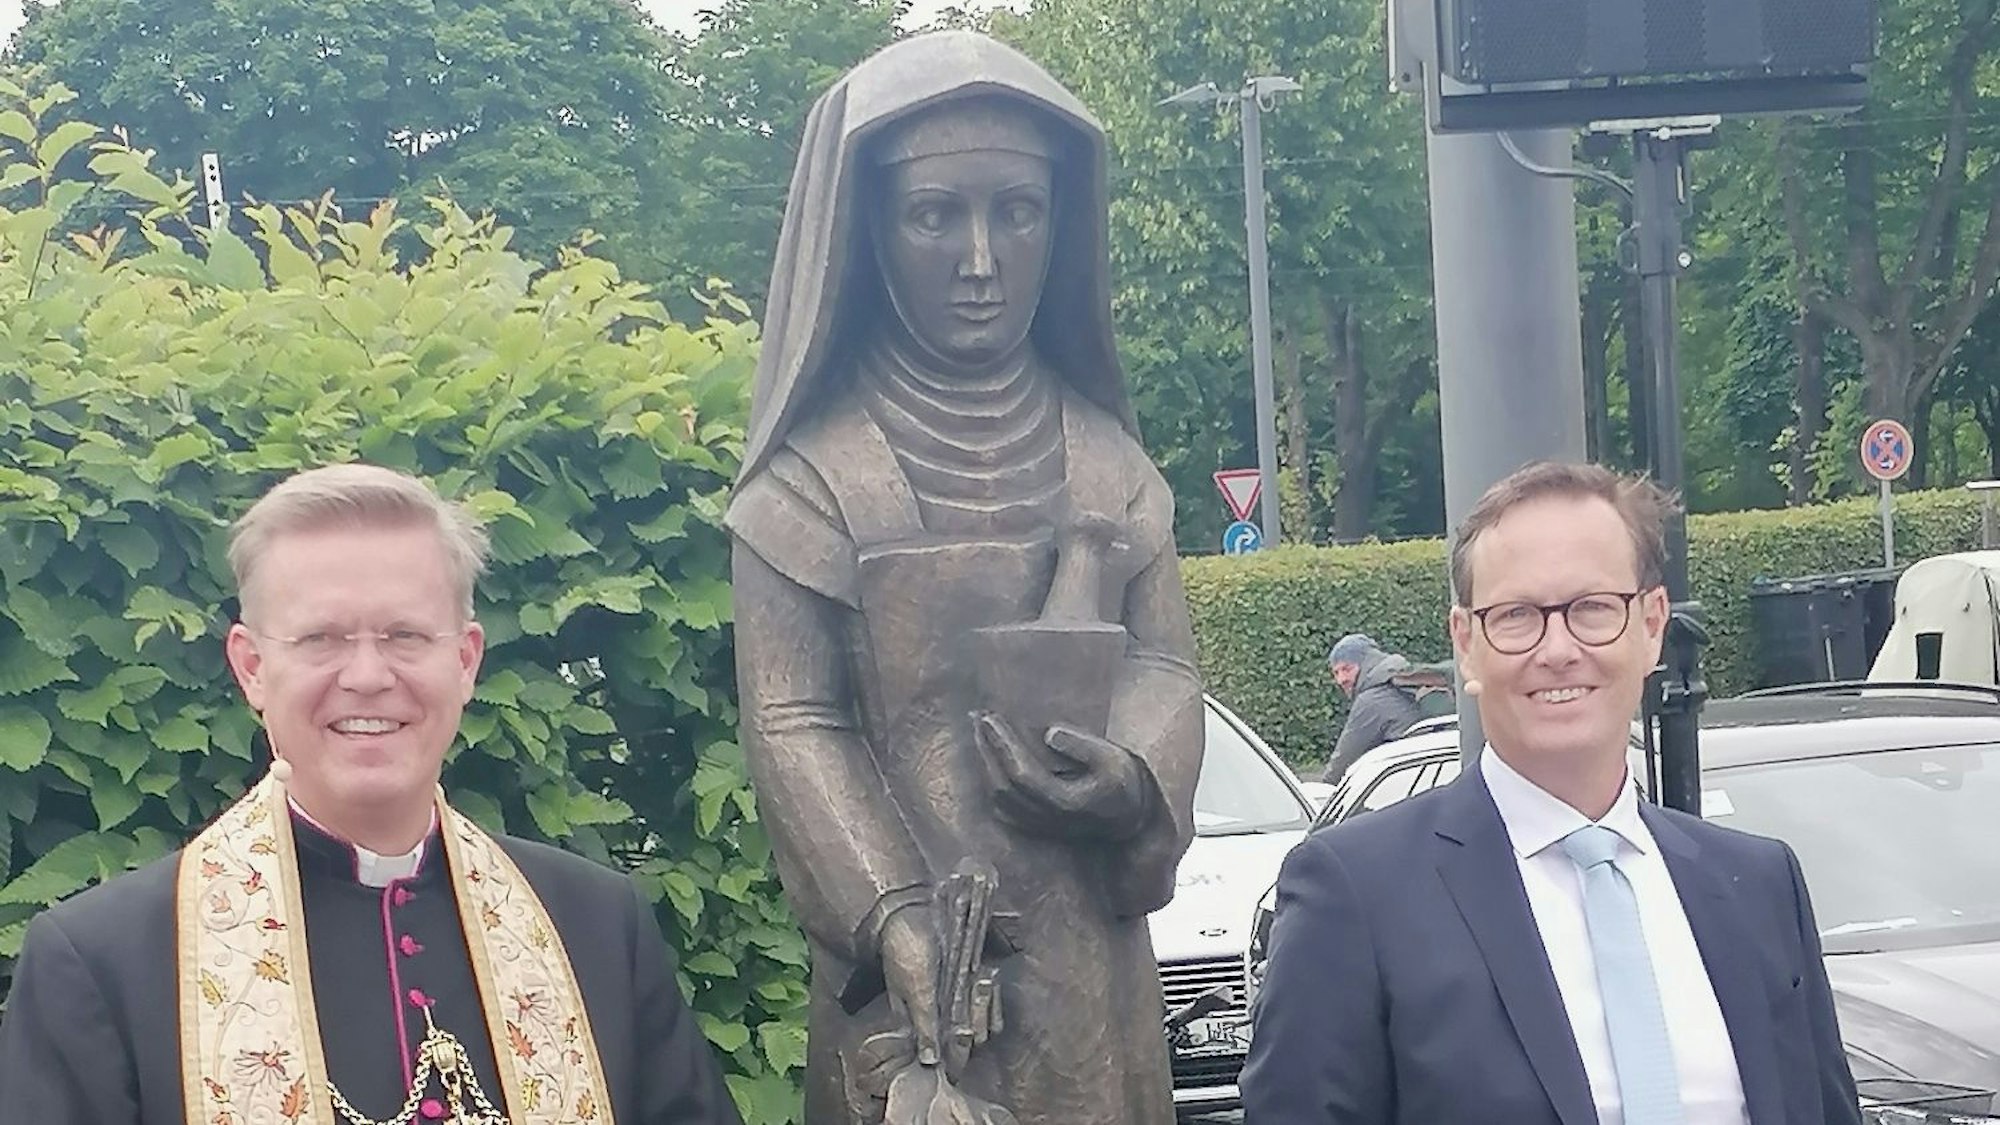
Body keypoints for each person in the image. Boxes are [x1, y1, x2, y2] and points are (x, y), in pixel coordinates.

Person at [726, 31, 1203, 1125]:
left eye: (1017, 212)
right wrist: (894, 914)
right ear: (870, 230)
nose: (980, 260)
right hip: (908, 994)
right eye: (935, 215)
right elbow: (793, 719)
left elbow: (1165, 668)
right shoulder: (817, 482)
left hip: (1092, 985)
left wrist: (1132, 780)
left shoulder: (1110, 467)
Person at [0, 463, 742, 1125]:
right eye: (321, 638)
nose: (366, 676)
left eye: (405, 636)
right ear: (252, 667)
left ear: (465, 661)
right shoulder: (99, 963)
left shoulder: (598, 926)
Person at [1241, 461, 1859, 1125]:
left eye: (1593, 608)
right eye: (1517, 615)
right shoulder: (1356, 896)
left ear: (1652, 625)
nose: (1558, 648)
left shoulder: (1760, 888)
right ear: (1467, 644)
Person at [1319, 633, 1435, 784]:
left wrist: (1324, 790)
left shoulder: (1371, 701)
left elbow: (1343, 761)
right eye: (1336, 672)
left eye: (1347, 669)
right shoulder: (1404, 681)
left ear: (1367, 662)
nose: (1341, 679)